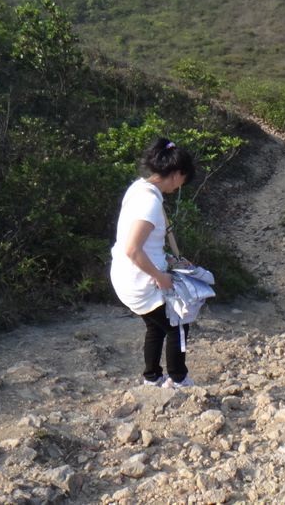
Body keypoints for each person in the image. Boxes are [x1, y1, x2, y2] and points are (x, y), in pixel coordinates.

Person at [110, 137, 197, 388]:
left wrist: (167, 258)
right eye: (183, 180)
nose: (180, 186)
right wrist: (161, 277)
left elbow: (143, 243)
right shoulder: (150, 201)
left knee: (156, 325)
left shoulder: (139, 188)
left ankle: (152, 377)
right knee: (178, 323)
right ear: (177, 174)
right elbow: (133, 249)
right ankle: (179, 379)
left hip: (127, 275)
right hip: (139, 279)